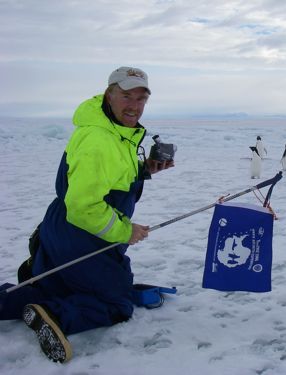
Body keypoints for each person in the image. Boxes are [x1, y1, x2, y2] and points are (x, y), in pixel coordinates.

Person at [0, 66, 173, 363]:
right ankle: (54, 315)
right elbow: (85, 207)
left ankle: (8, 300)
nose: (134, 105)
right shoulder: (98, 140)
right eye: (126, 95)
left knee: (56, 284)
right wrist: (125, 231)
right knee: (116, 301)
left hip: (63, 226)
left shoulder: (115, 131)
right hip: (83, 233)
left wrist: (144, 171)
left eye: (141, 98)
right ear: (109, 94)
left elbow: (107, 182)